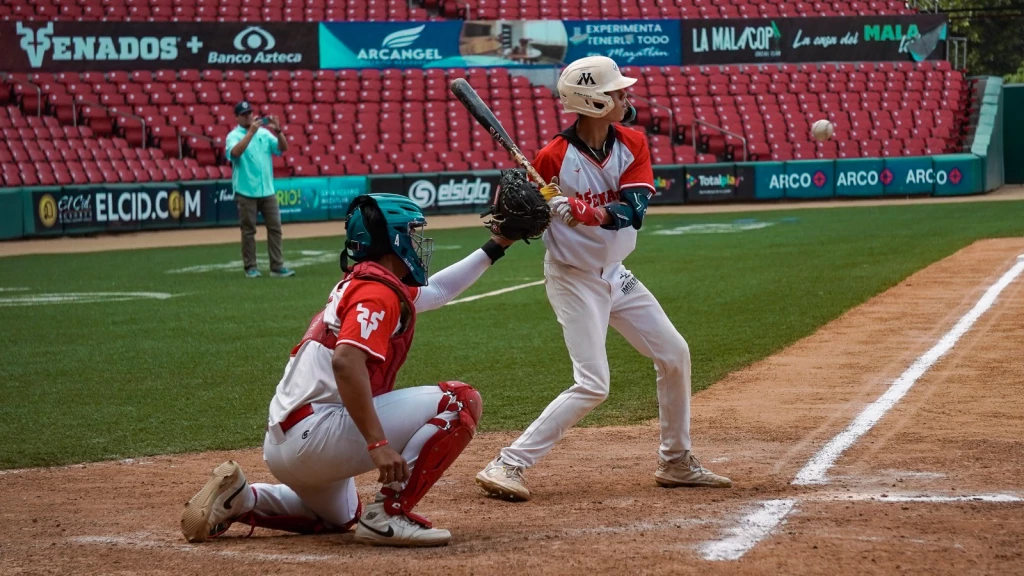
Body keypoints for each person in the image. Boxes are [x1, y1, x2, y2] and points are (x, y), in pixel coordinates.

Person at [181, 194, 516, 547]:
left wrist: (497, 245)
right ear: (394, 238)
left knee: (339, 516)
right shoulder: (376, 293)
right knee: (459, 402)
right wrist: (378, 444)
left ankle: (241, 498)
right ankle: (390, 513)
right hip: (317, 434)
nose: (418, 241)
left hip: (287, 441)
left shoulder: (366, 282)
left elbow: (438, 290)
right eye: (412, 232)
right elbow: (346, 361)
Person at [475, 56, 732, 501]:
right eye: (617, 92)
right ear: (592, 102)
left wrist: (581, 210)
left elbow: (632, 213)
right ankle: (508, 463)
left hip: (616, 274)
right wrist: (533, 213)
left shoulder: (633, 142)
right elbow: (516, 214)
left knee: (674, 354)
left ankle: (675, 461)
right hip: (573, 279)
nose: (626, 96)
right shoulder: (551, 157)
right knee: (593, 383)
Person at [225, 100, 295, 279]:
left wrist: (278, 131)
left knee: (275, 228)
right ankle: (250, 267)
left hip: (267, 190)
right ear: (237, 117)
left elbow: (283, 148)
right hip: (246, 190)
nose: (248, 116)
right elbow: (235, 153)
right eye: (244, 114)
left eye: (249, 113)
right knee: (248, 231)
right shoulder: (233, 136)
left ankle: (277, 266)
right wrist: (250, 132)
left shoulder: (263, 133)